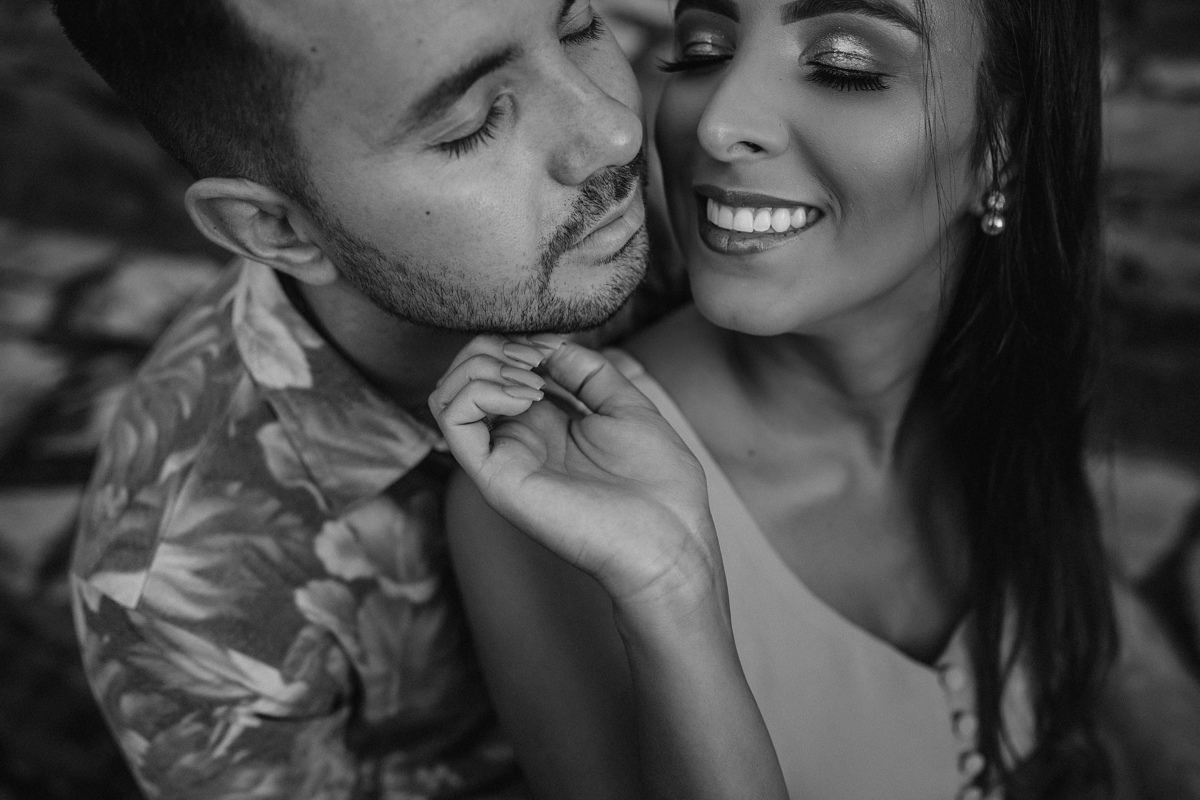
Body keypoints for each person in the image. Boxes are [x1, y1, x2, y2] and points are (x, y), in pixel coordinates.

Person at [431, 0, 1200, 798]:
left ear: (1003, 145)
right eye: (703, 51)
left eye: (843, 66)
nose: (718, 122)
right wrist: (673, 597)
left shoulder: (1003, 409)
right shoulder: (556, 490)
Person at [58, 0, 676, 796]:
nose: (615, 132)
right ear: (277, 230)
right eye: (474, 126)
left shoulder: (676, 205)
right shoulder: (184, 595)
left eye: (579, 25)